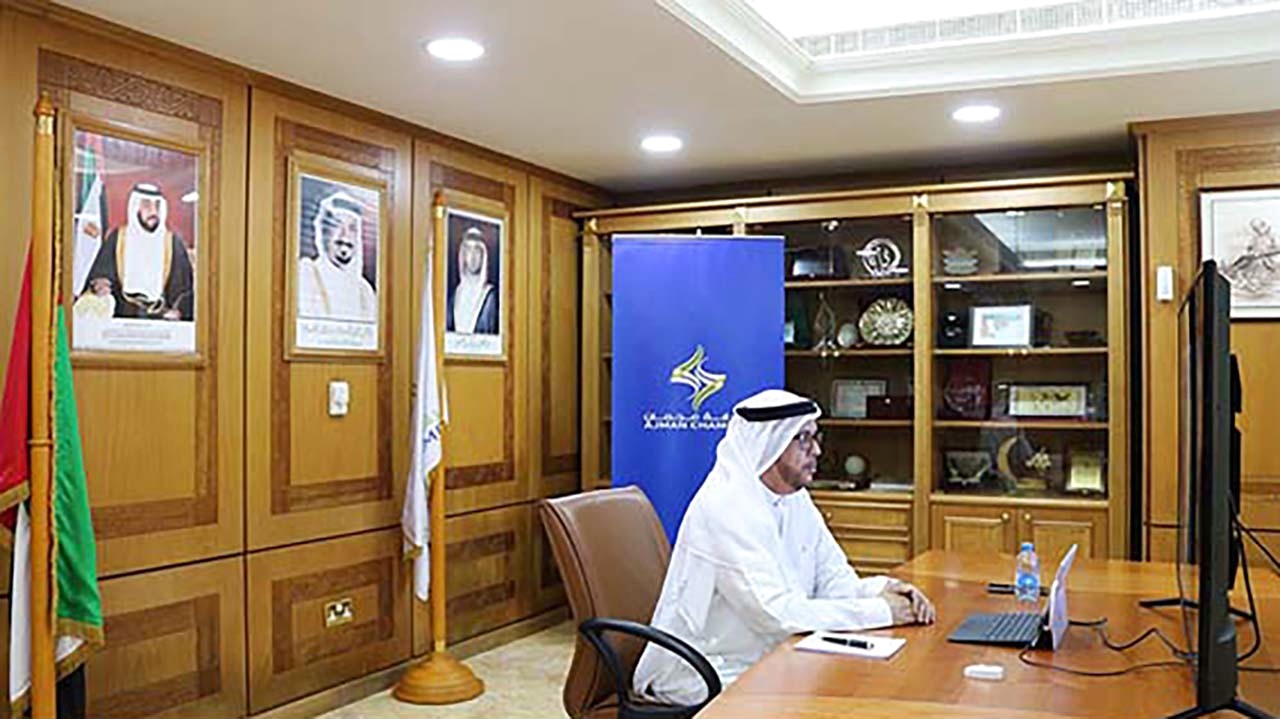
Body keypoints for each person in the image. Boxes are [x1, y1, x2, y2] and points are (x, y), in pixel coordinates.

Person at [633, 389, 935, 706]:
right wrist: (882, 611)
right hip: (705, 667)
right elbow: (774, 614)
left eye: (816, 437)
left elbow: (833, 582)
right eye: (803, 439)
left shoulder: (794, 498)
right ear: (769, 443)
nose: (817, 450)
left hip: (773, 654)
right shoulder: (726, 507)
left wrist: (884, 590)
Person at [76, 182, 193, 320]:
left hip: (162, 321)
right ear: (135, 207)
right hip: (122, 319)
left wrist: (179, 310)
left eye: (157, 206)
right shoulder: (118, 238)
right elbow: (102, 274)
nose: (153, 212)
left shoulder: (172, 243)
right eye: (147, 205)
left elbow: (185, 288)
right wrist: (101, 284)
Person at [297, 191, 377, 322]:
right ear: (323, 232)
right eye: (336, 225)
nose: (345, 236)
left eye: (352, 228)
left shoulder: (365, 291)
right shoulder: (306, 273)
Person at [447, 227, 498, 334]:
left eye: (476, 251)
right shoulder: (456, 294)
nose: (472, 256)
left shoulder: (490, 296)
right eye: (469, 250)